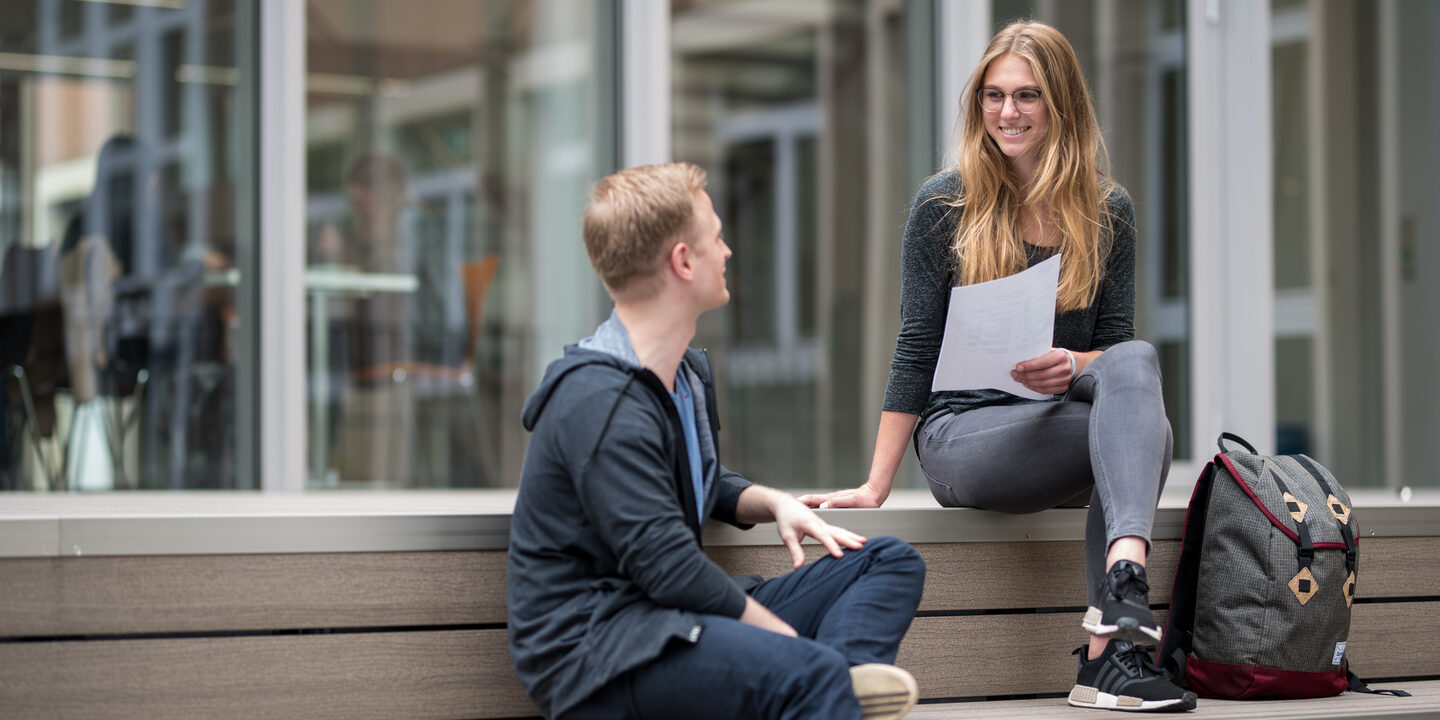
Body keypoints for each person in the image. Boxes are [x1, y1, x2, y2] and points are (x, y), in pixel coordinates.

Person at [798, 20, 1196, 713]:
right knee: (1147, 430)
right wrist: (876, 482)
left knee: (1137, 368)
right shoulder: (943, 207)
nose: (1007, 113)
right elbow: (916, 347)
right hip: (966, 438)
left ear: (1061, 105)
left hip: (1060, 429)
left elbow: (1116, 350)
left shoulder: (1109, 213)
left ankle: (1115, 618)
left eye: (1027, 96)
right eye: (993, 95)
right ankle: (1118, 645)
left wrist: (1071, 363)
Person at [507, 162, 926, 720]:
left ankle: (828, 695)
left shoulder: (678, 376)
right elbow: (669, 568)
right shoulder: (597, 399)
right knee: (812, 671)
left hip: (669, 619)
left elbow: (688, 480)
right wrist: (787, 645)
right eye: (716, 239)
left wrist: (773, 502)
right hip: (604, 651)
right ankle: (822, 689)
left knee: (888, 562)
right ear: (682, 260)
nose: (727, 252)